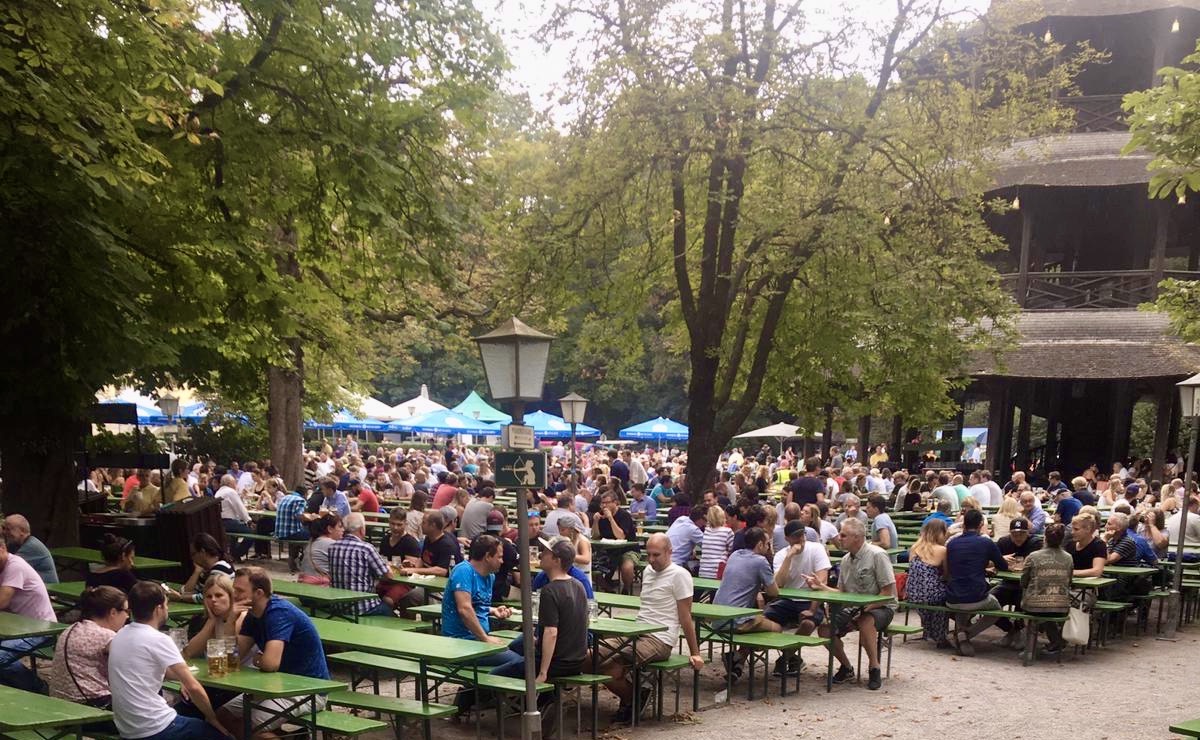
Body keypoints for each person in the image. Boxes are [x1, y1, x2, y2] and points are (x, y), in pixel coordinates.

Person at [597, 534, 703, 723]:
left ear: (669, 552)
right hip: (638, 630)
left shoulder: (680, 575)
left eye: (656, 555)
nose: (652, 560)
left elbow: (686, 617)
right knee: (591, 656)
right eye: (649, 555)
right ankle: (635, 693)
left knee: (610, 668)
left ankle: (634, 698)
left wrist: (695, 653)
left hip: (660, 639)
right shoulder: (647, 571)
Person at [108, 581, 228, 740]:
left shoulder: (120, 635)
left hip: (127, 728)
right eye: (166, 604)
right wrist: (213, 719)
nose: (167, 609)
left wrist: (180, 677)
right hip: (155, 727)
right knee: (221, 735)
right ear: (158, 609)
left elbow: (146, 671)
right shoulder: (158, 639)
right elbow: (193, 687)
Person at [229, 568, 331, 733]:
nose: (233, 595)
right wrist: (230, 620)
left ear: (259, 593)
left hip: (308, 690)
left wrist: (258, 660)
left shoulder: (278, 613)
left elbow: (270, 664)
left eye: (239, 591)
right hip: (277, 685)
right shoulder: (253, 615)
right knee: (222, 717)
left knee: (245, 727)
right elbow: (232, 658)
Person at [491, 539, 589, 702]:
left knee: (492, 675)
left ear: (556, 561)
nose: (541, 554)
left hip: (557, 664)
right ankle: (542, 702)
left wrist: (543, 673)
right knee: (518, 646)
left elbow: (551, 633)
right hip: (577, 661)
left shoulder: (550, 591)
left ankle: (471, 708)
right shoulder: (578, 585)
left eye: (547, 552)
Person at [806, 518, 895, 690]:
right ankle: (846, 667)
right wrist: (821, 586)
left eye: (844, 534)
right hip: (853, 608)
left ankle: (874, 667)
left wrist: (867, 607)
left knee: (865, 620)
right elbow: (842, 592)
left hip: (881, 608)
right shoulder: (846, 560)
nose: (839, 537)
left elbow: (887, 593)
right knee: (824, 630)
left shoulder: (877, 555)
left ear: (857, 537)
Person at [442, 535, 513, 711]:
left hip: (479, 642)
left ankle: (478, 694)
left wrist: (493, 610)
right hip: (460, 643)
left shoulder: (489, 577)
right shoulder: (463, 571)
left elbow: (476, 604)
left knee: (524, 648)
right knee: (518, 662)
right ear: (488, 556)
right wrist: (485, 639)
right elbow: (464, 609)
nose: (502, 561)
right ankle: (475, 695)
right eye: (499, 556)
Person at [715, 527, 780, 681]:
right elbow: (774, 592)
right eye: (767, 544)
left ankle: (737, 664)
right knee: (777, 629)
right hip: (735, 621)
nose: (768, 547)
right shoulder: (760, 561)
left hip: (716, 619)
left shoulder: (735, 555)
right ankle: (737, 656)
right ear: (759, 545)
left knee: (755, 624)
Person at [767, 520, 832, 675]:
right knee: (763, 619)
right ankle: (739, 660)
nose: (800, 539)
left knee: (808, 623)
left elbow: (822, 583)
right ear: (787, 538)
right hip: (787, 601)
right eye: (795, 537)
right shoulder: (781, 555)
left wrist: (813, 608)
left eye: (802, 535)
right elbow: (779, 584)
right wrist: (789, 557)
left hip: (811, 601)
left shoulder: (816, 549)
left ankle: (785, 657)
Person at [49, 585, 126, 710]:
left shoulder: (71, 628)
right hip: (91, 706)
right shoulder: (106, 636)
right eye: (126, 611)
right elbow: (132, 666)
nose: (127, 616)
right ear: (113, 612)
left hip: (61, 703)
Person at [944, 508, 1008, 656]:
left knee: (963, 598)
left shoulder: (952, 544)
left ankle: (960, 634)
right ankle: (966, 635)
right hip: (976, 596)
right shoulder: (985, 543)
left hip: (952, 596)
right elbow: (1003, 566)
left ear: (963, 524)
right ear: (980, 525)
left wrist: (982, 567)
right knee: (996, 610)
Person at [0, 537, 57, 691]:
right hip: (15, 627)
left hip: (41, 628)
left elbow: (2, 602)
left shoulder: (15, 566)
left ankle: (39, 689)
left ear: (2, 549)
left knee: (1, 658)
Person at [1020, 523, 1073, 658]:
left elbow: (1023, 581)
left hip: (1033, 605)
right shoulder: (1068, 558)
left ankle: (1028, 646)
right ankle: (1056, 642)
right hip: (1061, 605)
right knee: (1049, 608)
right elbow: (1070, 580)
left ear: (1045, 538)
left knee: (1033, 604)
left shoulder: (1033, 556)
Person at [328, 513, 393, 617]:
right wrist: (389, 567)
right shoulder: (366, 549)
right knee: (391, 612)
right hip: (364, 608)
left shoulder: (332, 547)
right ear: (362, 530)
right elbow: (388, 576)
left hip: (338, 606)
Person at [990, 517, 1041, 645]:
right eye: (1014, 534)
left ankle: (1021, 632)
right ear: (1010, 533)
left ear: (1028, 533)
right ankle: (1011, 630)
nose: (1018, 537)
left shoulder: (1035, 543)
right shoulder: (1003, 542)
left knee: (1024, 603)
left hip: (1026, 586)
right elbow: (990, 561)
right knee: (988, 602)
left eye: (1022, 533)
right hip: (1007, 583)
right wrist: (1000, 559)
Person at [905, 518, 950, 648]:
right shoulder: (942, 550)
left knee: (931, 596)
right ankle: (940, 636)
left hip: (912, 593)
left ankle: (929, 630)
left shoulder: (914, 548)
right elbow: (947, 575)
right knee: (946, 595)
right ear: (940, 533)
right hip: (930, 593)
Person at [168, 534, 236, 605]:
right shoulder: (206, 570)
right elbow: (186, 591)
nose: (192, 558)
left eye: (193, 554)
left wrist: (180, 597)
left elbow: (207, 597)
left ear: (202, 552)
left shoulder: (220, 568)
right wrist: (196, 572)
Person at [595, 491, 638, 594]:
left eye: (607, 502)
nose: (604, 505)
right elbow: (595, 536)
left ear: (615, 503)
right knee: (593, 567)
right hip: (608, 550)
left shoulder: (624, 515)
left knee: (627, 567)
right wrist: (596, 522)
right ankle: (608, 588)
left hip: (627, 549)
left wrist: (610, 518)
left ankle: (626, 589)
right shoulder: (601, 515)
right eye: (602, 503)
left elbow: (621, 536)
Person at [2, 514, 58, 585]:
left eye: (8, 529)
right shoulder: (15, 544)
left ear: (22, 531)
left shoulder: (31, 546)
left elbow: (7, 566)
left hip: (48, 591)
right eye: (3, 528)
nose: (4, 532)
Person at [213, 475, 254, 562]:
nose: (236, 485)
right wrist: (248, 520)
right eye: (235, 483)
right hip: (228, 522)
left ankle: (233, 554)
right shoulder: (231, 492)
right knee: (252, 533)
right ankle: (236, 554)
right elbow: (240, 508)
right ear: (230, 483)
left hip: (219, 522)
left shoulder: (218, 492)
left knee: (235, 532)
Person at [297, 512, 343, 586]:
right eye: (340, 527)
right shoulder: (333, 544)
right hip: (321, 586)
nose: (343, 530)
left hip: (304, 584)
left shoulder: (312, 541)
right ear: (330, 529)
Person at [272, 488, 309, 573]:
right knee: (312, 535)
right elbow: (298, 515)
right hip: (291, 533)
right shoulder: (301, 500)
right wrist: (309, 517)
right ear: (305, 494)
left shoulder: (284, 497)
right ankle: (303, 560)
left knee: (298, 534)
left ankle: (292, 558)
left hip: (279, 533)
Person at [699, 505, 734, 579]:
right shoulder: (727, 532)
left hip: (703, 571)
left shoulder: (706, 531)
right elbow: (732, 552)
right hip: (718, 572)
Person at [666, 506, 706, 570]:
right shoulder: (693, 529)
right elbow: (708, 546)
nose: (705, 524)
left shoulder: (681, 519)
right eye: (705, 521)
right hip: (676, 564)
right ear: (700, 519)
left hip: (664, 559)